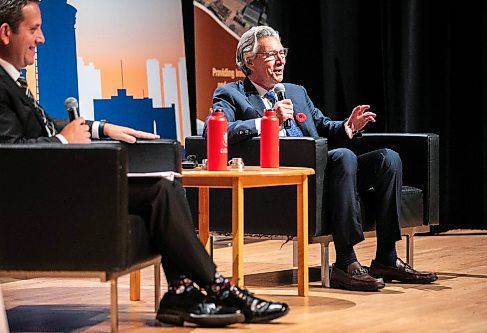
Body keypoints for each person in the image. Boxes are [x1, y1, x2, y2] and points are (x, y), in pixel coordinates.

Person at [0, 1, 288, 327]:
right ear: (6, 33)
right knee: (159, 192)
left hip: (62, 190)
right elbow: (9, 153)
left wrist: (100, 128)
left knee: (166, 182)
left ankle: (182, 293)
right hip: (40, 204)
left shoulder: (10, 81)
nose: (41, 39)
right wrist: (64, 141)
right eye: (34, 30)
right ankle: (221, 290)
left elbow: (42, 124)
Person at [206, 25, 438, 292]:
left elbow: (322, 124)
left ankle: (386, 256)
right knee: (343, 157)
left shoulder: (295, 92)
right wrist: (268, 120)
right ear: (250, 61)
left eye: (282, 52)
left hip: (329, 170)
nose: (281, 60)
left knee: (389, 158)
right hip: (289, 177)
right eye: (271, 55)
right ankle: (346, 262)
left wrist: (346, 126)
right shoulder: (231, 94)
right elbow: (217, 130)